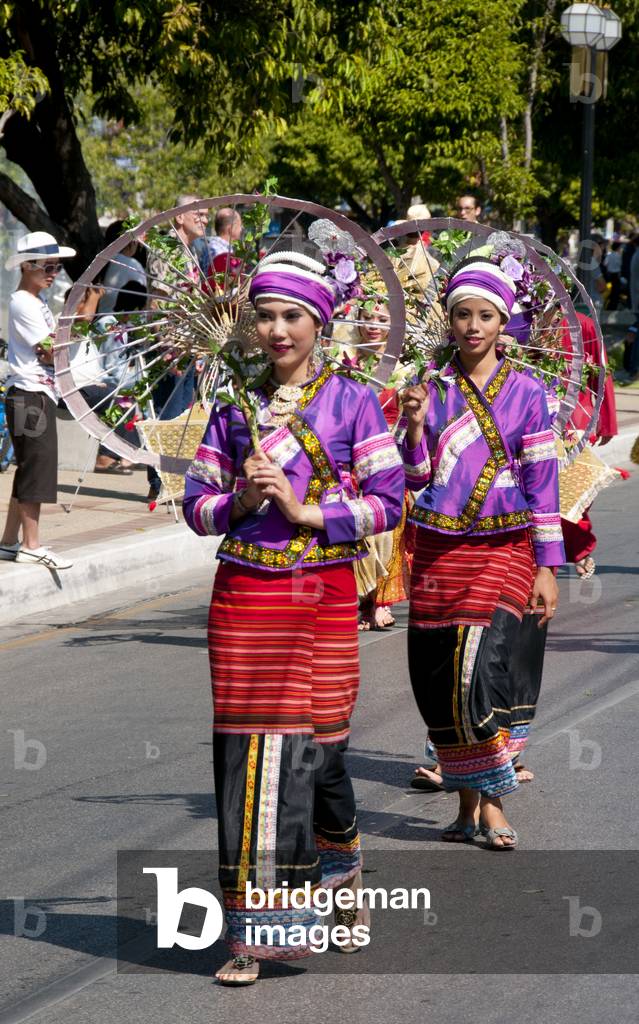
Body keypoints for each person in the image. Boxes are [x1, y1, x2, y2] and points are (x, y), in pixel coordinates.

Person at [183, 249, 404, 983]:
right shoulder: (231, 405)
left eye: (292, 316)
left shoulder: (354, 402)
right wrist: (241, 503)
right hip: (244, 597)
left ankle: (343, 874)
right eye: (266, 316)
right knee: (249, 759)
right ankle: (254, 936)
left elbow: (389, 502)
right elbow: (196, 506)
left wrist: (307, 509)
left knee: (322, 759)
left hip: (321, 596)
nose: (277, 330)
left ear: (321, 322)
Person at [401, 257, 564, 849]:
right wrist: (415, 426)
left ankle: (493, 803)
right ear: (448, 321)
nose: (473, 326)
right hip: (439, 550)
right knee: (440, 677)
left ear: (503, 322)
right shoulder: (429, 386)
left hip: (505, 546)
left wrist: (548, 566)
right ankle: (467, 806)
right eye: (462, 315)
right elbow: (414, 476)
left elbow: (543, 482)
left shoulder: (527, 391)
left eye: (485, 316)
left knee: (478, 674)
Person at [0, 232, 76, 569]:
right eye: (48, 266)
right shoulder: (23, 302)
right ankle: (32, 545)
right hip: (30, 393)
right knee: (37, 471)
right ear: (27, 266)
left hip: (36, 393)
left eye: (57, 267)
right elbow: (48, 350)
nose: (53, 273)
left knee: (28, 470)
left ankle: (8, 542)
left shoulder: (37, 301)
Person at [146, 196, 209, 500]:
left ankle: (174, 481)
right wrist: (166, 346)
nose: (204, 220)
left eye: (208, 215)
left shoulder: (190, 250)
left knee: (182, 415)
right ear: (179, 217)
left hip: (187, 344)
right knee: (169, 415)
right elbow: (157, 303)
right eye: (199, 214)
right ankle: (162, 483)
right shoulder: (167, 248)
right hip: (170, 346)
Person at [97, 220, 147, 314]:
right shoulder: (132, 265)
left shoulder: (104, 261)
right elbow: (143, 299)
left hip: (101, 318)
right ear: (131, 242)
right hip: (119, 321)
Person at [603, 241, 622, 310]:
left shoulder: (609, 255)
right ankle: (614, 306)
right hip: (616, 275)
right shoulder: (618, 256)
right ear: (618, 248)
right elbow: (620, 265)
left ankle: (609, 305)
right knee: (616, 291)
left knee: (610, 291)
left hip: (609, 275)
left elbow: (605, 264)